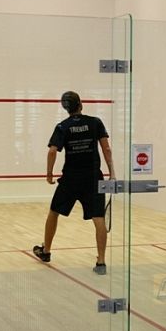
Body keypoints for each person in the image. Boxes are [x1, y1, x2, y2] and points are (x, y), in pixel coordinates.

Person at [33, 91, 115, 275]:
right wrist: (112, 173)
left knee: (54, 212)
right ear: (81, 104)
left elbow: (52, 152)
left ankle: (46, 251)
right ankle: (101, 262)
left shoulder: (63, 126)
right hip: (93, 178)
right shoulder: (95, 122)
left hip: (70, 179)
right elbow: (107, 149)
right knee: (98, 218)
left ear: (66, 108)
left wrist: (49, 173)